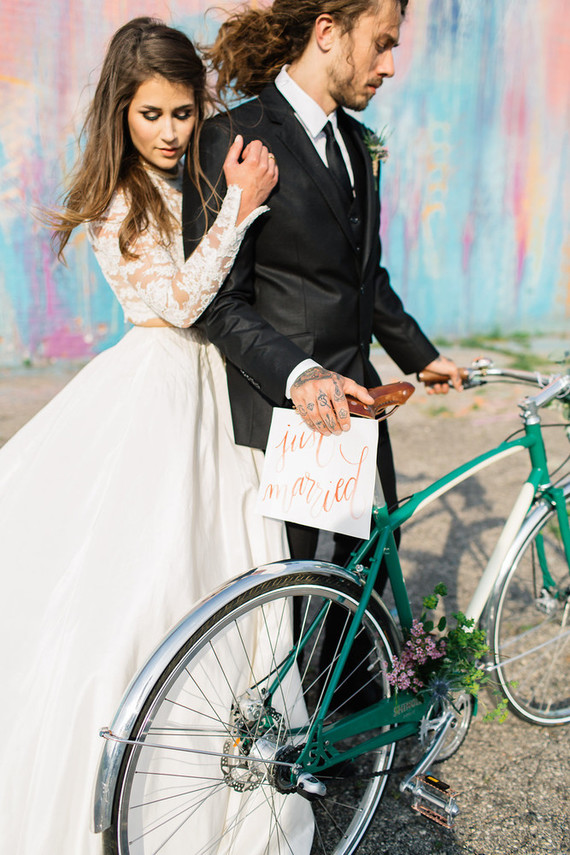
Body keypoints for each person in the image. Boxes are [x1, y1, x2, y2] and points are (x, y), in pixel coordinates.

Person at [0, 17, 312, 854]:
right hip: (157, 390)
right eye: (152, 116)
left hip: (221, 389)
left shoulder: (200, 171)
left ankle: (235, 766)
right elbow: (176, 303)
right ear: (121, 113)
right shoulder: (115, 200)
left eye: (183, 112)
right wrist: (240, 212)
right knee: (151, 574)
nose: (172, 133)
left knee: (233, 563)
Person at [182, 0, 462, 571]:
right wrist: (299, 375)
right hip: (289, 415)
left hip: (361, 403)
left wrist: (420, 356)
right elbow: (217, 301)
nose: (388, 67)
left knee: (371, 565)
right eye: (382, 44)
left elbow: (363, 278)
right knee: (296, 593)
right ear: (328, 32)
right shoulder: (232, 137)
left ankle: (363, 666)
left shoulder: (360, 143)